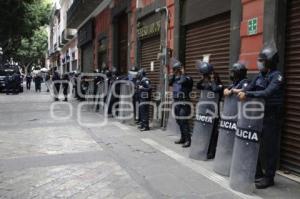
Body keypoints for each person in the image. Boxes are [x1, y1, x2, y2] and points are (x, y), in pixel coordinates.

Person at [237, 46, 284, 189]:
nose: (259, 63)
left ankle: (269, 178)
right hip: (257, 115)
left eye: (261, 61)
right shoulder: (259, 76)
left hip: (271, 117)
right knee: (253, 142)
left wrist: (248, 95)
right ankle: (256, 173)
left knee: (270, 148)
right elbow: (248, 88)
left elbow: (267, 93)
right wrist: (237, 90)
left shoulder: (277, 76)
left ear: (269, 62)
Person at [196, 61, 223, 158]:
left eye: (206, 74)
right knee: (204, 131)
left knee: (213, 132)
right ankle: (205, 149)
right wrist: (202, 79)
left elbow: (216, 89)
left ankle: (212, 152)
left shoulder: (217, 83)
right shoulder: (205, 83)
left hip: (214, 111)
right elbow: (198, 86)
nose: (205, 77)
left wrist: (212, 80)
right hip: (205, 111)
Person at [169, 58, 193, 148]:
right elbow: (170, 83)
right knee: (178, 121)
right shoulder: (175, 78)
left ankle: (188, 140)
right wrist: (173, 75)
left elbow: (183, 81)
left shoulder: (187, 78)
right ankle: (183, 138)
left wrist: (182, 73)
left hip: (184, 103)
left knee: (183, 121)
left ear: (179, 69)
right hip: (176, 103)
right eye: (174, 70)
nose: (174, 71)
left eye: (175, 70)